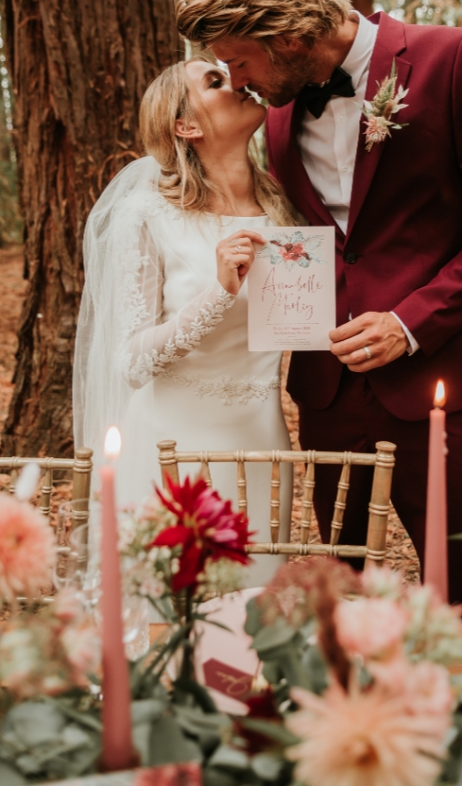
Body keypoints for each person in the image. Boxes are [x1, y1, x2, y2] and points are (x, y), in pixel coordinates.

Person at [175, 0, 462, 608]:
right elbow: (319, 236)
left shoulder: (454, 58)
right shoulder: (280, 113)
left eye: (238, 60)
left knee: (457, 591)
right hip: (325, 393)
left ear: (287, 34)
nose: (235, 81)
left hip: (439, 382)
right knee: (333, 600)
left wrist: (409, 323)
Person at [73, 58, 295, 586]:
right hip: (170, 445)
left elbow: (290, 320)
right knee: (166, 618)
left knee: (250, 619)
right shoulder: (150, 215)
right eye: (215, 82)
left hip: (261, 437)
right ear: (185, 126)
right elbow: (130, 360)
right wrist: (218, 292)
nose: (237, 83)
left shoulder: (284, 207)